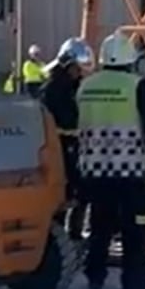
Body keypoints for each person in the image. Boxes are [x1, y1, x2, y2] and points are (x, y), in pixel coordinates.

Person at [76, 33, 145, 289]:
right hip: (130, 169)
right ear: (130, 60)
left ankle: (94, 274)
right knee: (135, 224)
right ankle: (135, 278)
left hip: (93, 168)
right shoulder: (136, 85)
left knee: (99, 223)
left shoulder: (86, 86)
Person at [40, 37, 94, 241]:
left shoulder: (74, 87)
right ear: (67, 65)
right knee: (62, 195)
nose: (79, 73)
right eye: (76, 68)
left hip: (74, 148)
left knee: (80, 194)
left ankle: (74, 234)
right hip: (59, 150)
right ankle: (59, 236)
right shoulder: (53, 89)